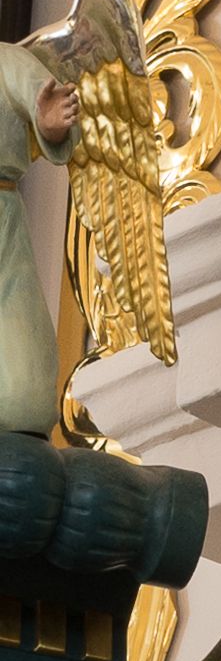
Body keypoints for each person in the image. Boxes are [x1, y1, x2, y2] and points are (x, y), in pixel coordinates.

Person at [0, 35, 75, 435]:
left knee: (24, 398)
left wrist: (49, 122)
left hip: (3, 222)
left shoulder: (7, 62)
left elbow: (43, 102)